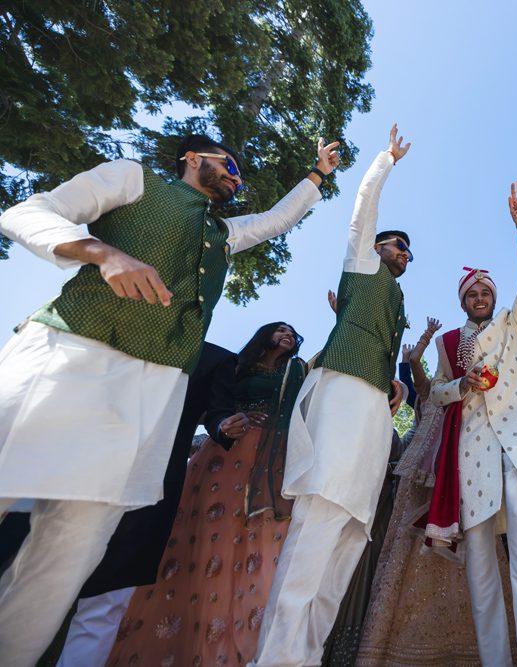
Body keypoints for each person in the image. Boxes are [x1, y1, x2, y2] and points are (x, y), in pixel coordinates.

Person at [0, 131, 338, 666]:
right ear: (192, 158)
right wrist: (101, 252)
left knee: (66, 558)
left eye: (239, 174)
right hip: (67, 354)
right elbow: (27, 211)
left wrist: (317, 176)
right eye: (228, 165)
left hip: (152, 395)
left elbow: (276, 219)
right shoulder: (131, 179)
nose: (235, 177)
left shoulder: (225, 233)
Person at [251, 125, 411, 667]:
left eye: (409, 250)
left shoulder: (399, 301)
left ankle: (308, 658)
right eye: (397, 243)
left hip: (372, 411)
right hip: (340, 394)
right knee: (318, 524)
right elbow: (362, 207)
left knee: (349, 533)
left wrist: (396, 381)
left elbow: (385, 354)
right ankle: (273, 660)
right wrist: (385, 161)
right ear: (378, 247)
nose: (403, 252)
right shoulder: (361, 262)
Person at [105, 322, 309, 666]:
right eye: (280, 329)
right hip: (224, 458)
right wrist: (229, 420)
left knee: (258, 543)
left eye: (292, 332)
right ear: (264, 336)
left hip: (270, 462)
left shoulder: (297, 373)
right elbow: (208, 409)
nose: (288, 334)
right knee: (204, 538)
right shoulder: (235, 366)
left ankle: (237, 647)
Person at [48, 341, 243, 666]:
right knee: (35, 575)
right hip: (83, 463)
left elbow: (218, 411)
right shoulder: (122, 330)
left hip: (152, 481)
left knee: (105, 601)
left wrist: (224, 426)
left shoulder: (216, 358)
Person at [425, 181, 517, 667]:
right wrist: (463, 386)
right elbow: (435, 393)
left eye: (485, 291)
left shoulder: (511, 324)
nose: (479, 296)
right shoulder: (450, 341)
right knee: (480, 566)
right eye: (472, 292)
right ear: (462, 301)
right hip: (472, 452)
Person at [355, 323, 517, 665]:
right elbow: (418, 372)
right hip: (420, 475)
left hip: (460, 469)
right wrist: (425, 343)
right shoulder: (430, 393)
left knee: (474, 547)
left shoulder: (464, 395)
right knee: (410, 551)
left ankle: (478, 645)